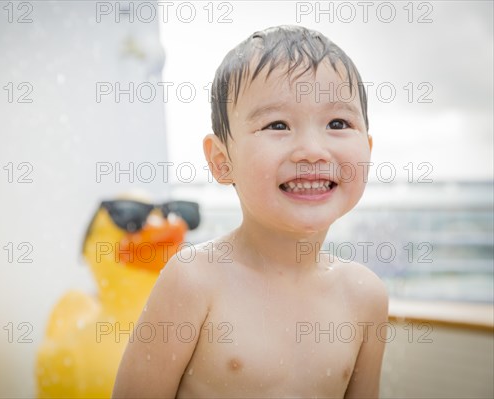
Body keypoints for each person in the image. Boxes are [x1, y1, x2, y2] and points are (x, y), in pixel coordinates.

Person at [113, 25, 388, 399]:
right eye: (278, 124)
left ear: (368, 149)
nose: (312, 149)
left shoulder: (365, 296)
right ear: (222, 161)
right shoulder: (194, 281)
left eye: (337, 123)